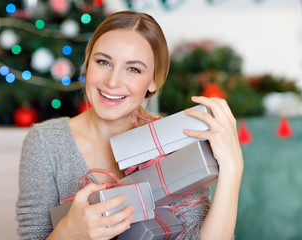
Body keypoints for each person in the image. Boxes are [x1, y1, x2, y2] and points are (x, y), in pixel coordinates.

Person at [16, 11, 244, 240]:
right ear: (87, 64)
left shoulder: (174, 140)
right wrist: (69, 232)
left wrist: (233, 170)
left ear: (154, 80)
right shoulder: (46, 142)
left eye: (133, 69)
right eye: (103, 62)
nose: (112, 81)